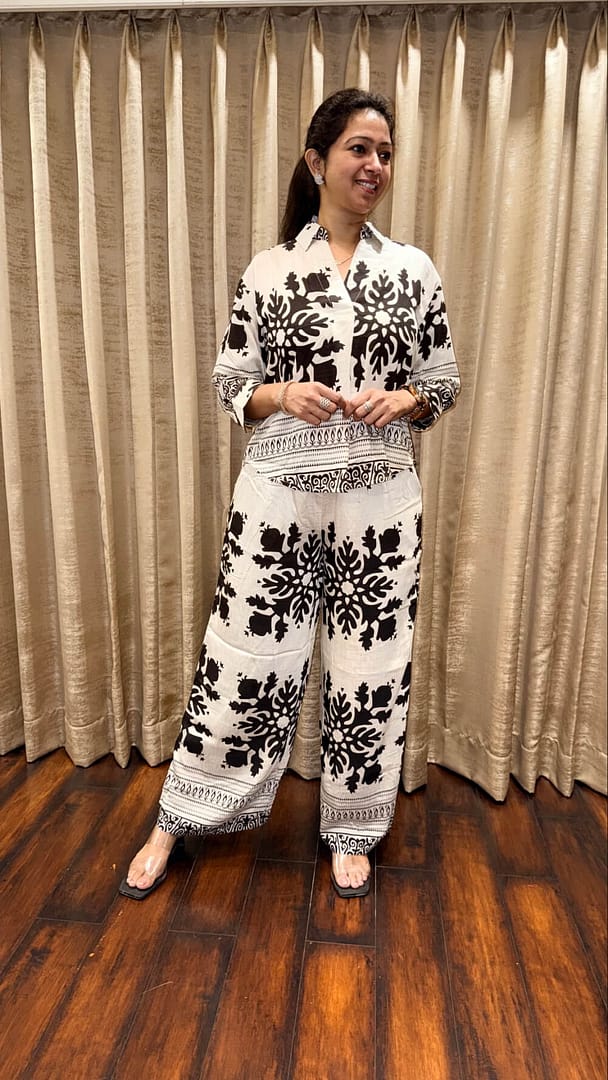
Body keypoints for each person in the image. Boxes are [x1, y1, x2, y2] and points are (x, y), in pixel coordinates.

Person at [120, 87, 460, 901]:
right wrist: (280, 394)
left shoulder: (412, 270)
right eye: (359, 149)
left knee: (370, 665)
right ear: (317, 162)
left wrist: (403, 400)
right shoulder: (269, 270)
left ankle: (353, 828)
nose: (375, 165)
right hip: (277, 501)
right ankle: (178, 817)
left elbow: (442, 381)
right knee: (242, 658)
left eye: (385, 153)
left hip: (381, 503)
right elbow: (230, 381)